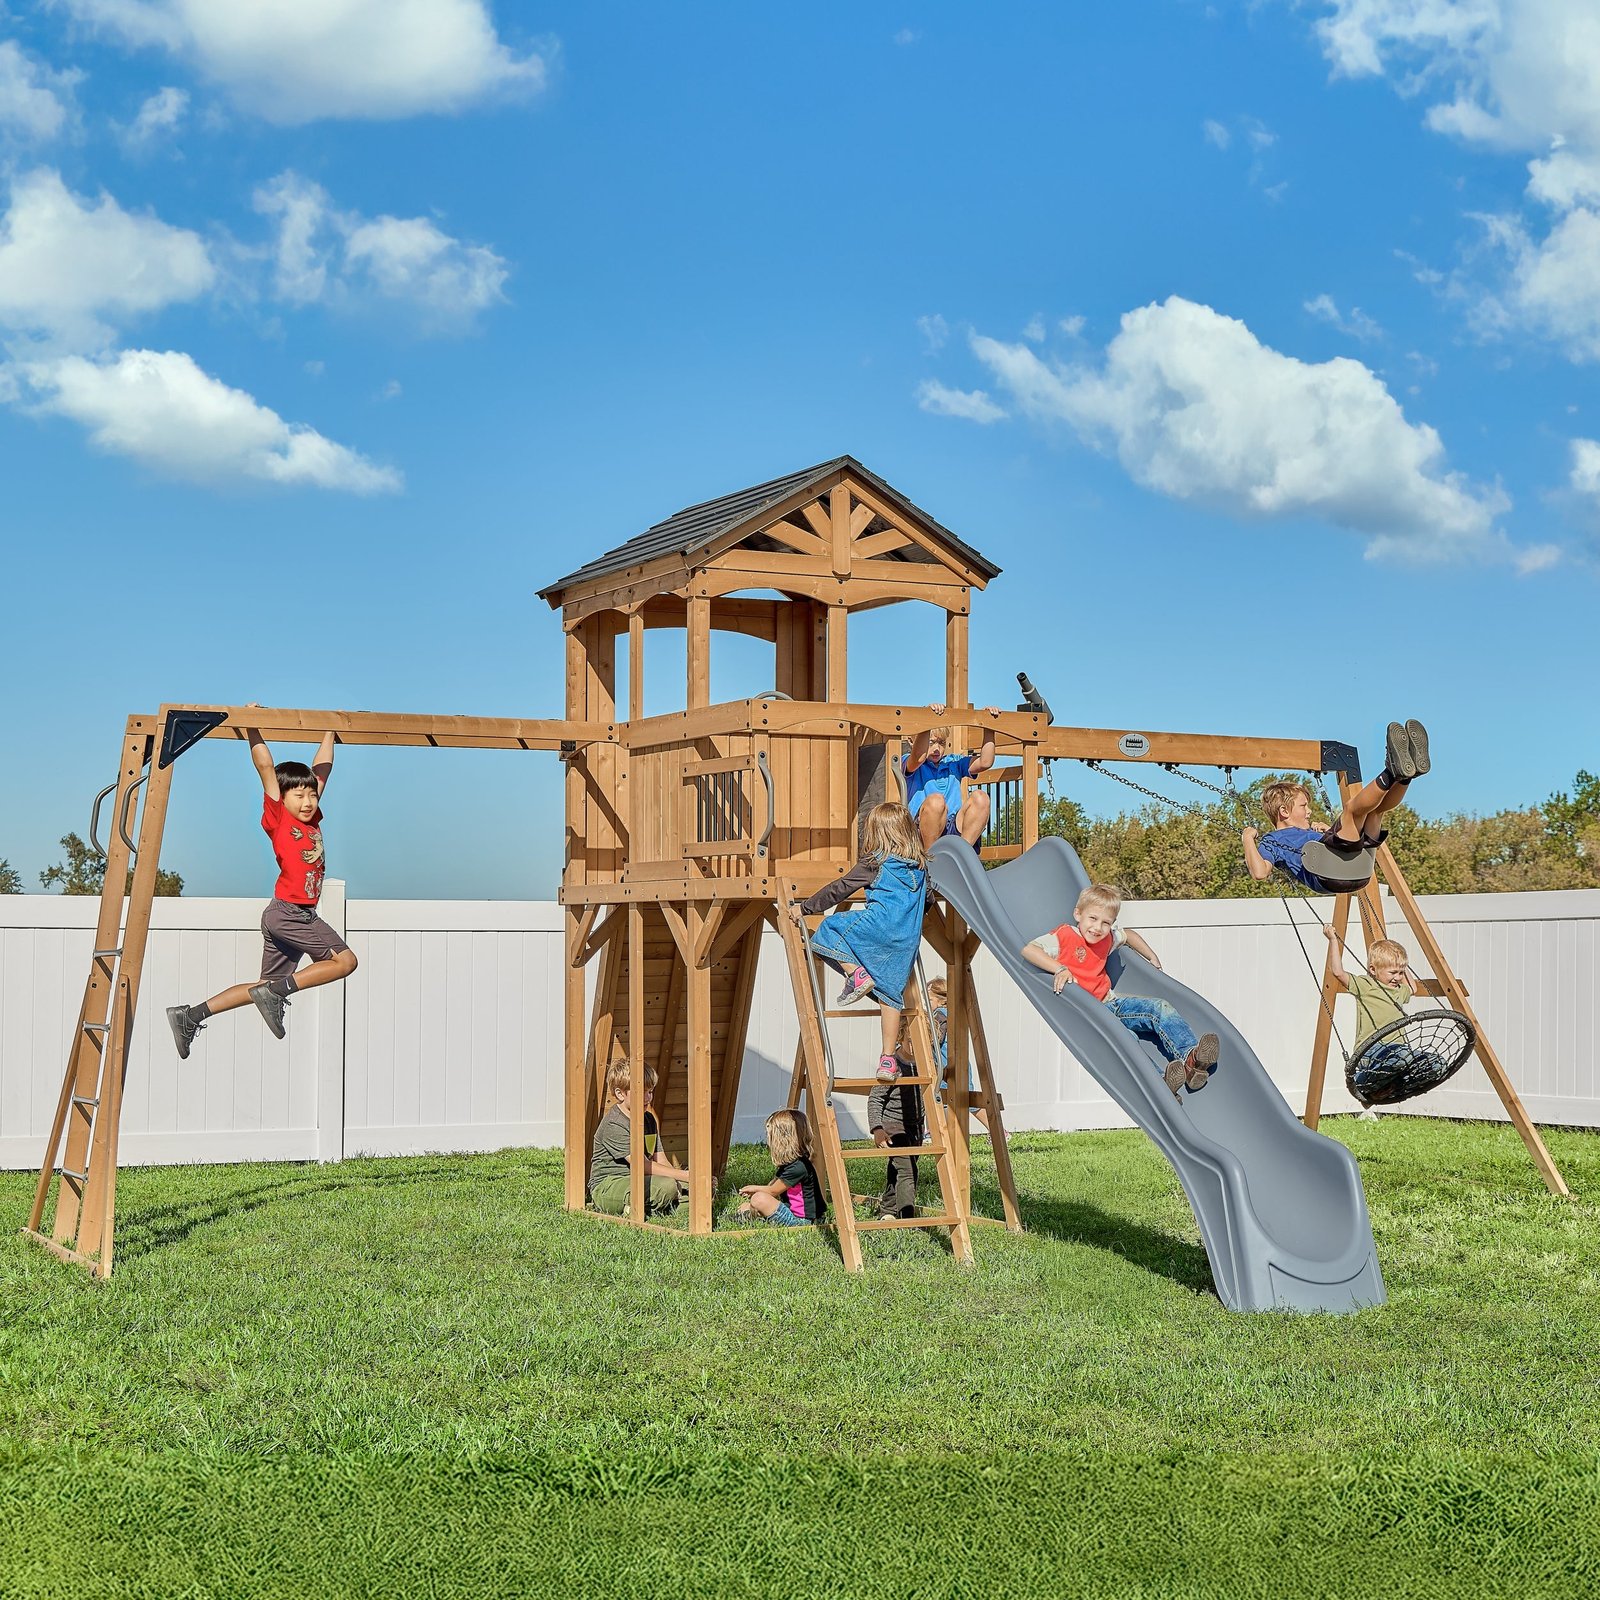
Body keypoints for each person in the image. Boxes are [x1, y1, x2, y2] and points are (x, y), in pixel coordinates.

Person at [166, 722, 357, 1060]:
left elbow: (323, 770)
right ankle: (278, 993)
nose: (309, 800)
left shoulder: (311, 819)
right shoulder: (279, 819)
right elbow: (266, 767)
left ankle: (190, 1016)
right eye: (299, 795)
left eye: (312, 794)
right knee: (345, 962)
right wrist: (252, 727)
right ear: (282, 799)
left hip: (283, 915)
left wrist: (329, 731)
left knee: (262, 988)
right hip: (291, 914)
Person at [1021, 883, 1219, 1097]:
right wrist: (1059, 968)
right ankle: (1160, 1082)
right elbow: (1029, 950)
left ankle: (1191, 1059)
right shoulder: (1064, 936)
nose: (1097, 928)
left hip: (1111, 1003)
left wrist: (1151, 955)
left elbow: (1129, 935)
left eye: (1106, 923)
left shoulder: (1107, 939)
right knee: (1127, 1037)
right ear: (1078, 914)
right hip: (1091, 1015)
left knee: (1159, 1007)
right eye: (1093, 919)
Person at [791, 801, 927, 1084]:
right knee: (890, 996)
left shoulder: (875, 861)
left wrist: (805, 908)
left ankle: (856, 973)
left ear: (876, 833)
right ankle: (888, 1061)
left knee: (830, 928)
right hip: (906, 941)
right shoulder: (920, 868)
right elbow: (927, 903)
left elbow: (841, 888)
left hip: (877, 925)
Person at [1242, 720, 1430, 893]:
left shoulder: (1311, 835)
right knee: (1351, 810)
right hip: (1330, 872)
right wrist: (1247, 838)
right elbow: (1259, 872)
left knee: (1376, 811)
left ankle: (1406, 776)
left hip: (1356, 868)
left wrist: (1328, 832)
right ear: (1284, 811)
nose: (1309, 811)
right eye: (1303, 806)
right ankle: (1391, 771)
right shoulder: (1273, 840)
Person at [1322, 928, 1454, 1107]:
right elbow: (1338, 972)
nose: (1398, 977)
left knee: (1437, 1063)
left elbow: (1412, 987)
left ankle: (1387, 1088)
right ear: (1373, 970)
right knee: (1400, 1058)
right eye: (1393, 973)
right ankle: (1363, 1084)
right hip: (1371, 1051)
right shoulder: (1366, 985)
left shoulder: (1399, 992)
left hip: (1399, 1052)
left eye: (1400, 973)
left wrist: (1402, 964)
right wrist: (1333, 940)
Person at [589, 1059, 690, 1216]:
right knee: (667, 1187)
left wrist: (688, 1182)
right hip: (610, 1185)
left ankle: (653, 1209)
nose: (648, 1098)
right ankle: (632, 1207)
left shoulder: (649, 1119)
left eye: (649, 1092)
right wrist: (686, 1176)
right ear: (620, 1094)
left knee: (693, 1194)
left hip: (643, 1180)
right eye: (641, 1092)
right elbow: (641, 1165)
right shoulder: (614, 1124)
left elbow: (661, 1160)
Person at [903, 703, 1002, 851]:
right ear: (912, 741)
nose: (937, 748)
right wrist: (927, 720)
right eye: (931, 742)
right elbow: (918, 757)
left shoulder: (953, 763)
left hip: (953, 826)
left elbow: (985, 762)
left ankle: (962, 854)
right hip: (924, 829)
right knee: (937, 801)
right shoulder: (911, 762)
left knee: (981, 797)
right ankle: (931, 860)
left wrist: (988, 726)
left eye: (941, 743)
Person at [867, 1015, 927, 1218]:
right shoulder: (894, 1066)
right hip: (893, 1126)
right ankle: (907, 1217)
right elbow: (875, 1099)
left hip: (915, 1127)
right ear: (901, 1035)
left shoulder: (926, 1065)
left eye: (921, 1040)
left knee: (899, 1168)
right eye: (911, 1040)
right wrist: (877, 1129)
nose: (915, 1045)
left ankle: (888, 1211)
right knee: (908, 1170)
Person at [736, 1108, 827, 1227]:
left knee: (758, 1199)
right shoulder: (793, 1163)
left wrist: (753, 1189)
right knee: (750, 1204)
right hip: (794, 1212)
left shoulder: (798, 1167)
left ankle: (751, 1216)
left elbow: (773, 1191)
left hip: (804, 1221)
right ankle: (751, 1214)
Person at [926, 974, 989, 1133]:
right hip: (959, 1065)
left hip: (948, 1066)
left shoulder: (939, 1014)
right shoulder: (952, 1013)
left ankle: (932, 1130)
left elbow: (937, 1036)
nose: (926, 1003)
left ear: (942, 1000)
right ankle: (997, 1129)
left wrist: (928, 1042)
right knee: (968, 1102)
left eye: (929, 1000)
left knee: (939, 1097)